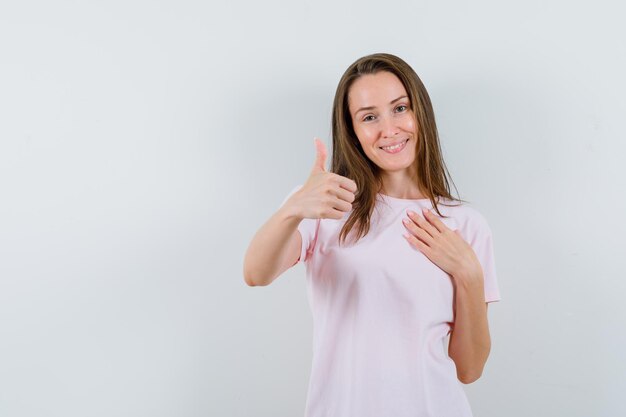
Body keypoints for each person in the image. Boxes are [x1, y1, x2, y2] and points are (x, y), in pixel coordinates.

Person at [243, 53, 501, 417]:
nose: (390, 129)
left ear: (420, 113)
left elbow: (469, 369)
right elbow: (256, 273)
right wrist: (293, 209)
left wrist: (469, 274)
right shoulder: (327, 205)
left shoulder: (465, 223)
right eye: (369, 117)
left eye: (400, 108)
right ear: (352, 130)